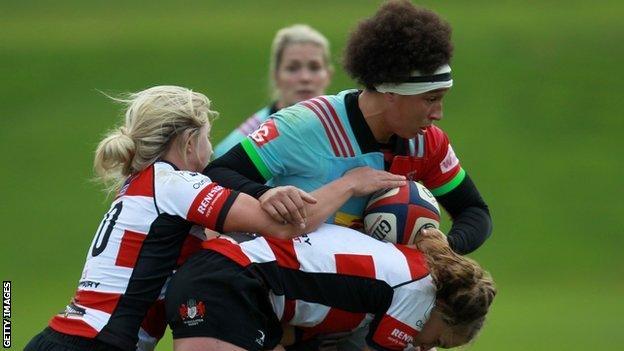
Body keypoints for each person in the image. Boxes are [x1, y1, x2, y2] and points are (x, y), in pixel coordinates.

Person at [24, 86, 405, 351]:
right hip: (101, 342)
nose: (211, 149)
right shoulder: (175, 184)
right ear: (189, 142)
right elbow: (286, 225)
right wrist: (350, 183)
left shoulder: (139, 184)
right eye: (208, 136)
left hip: (67, 336)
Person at [205, 0, 492, 256]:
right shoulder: (304, 126)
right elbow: (217, 173)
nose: (438, 114)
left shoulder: (427, 143)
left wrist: (444, 247)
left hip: (368, 297)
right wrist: (262, 193)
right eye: (430, 100)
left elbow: (475, 212)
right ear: (391, 92)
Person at [165, 225, 496, 351]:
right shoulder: (419, 295)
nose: (426, 348)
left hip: (228, 280)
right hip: (230, 281)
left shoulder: (410, 268)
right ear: (444, 309)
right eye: (437, 341)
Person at [213, 24, 333, 158]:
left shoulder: (349, 128)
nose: (305, 78)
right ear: (275, 75)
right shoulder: (239, 144)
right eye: (292, 68)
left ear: (328, 75)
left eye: (314, 68)